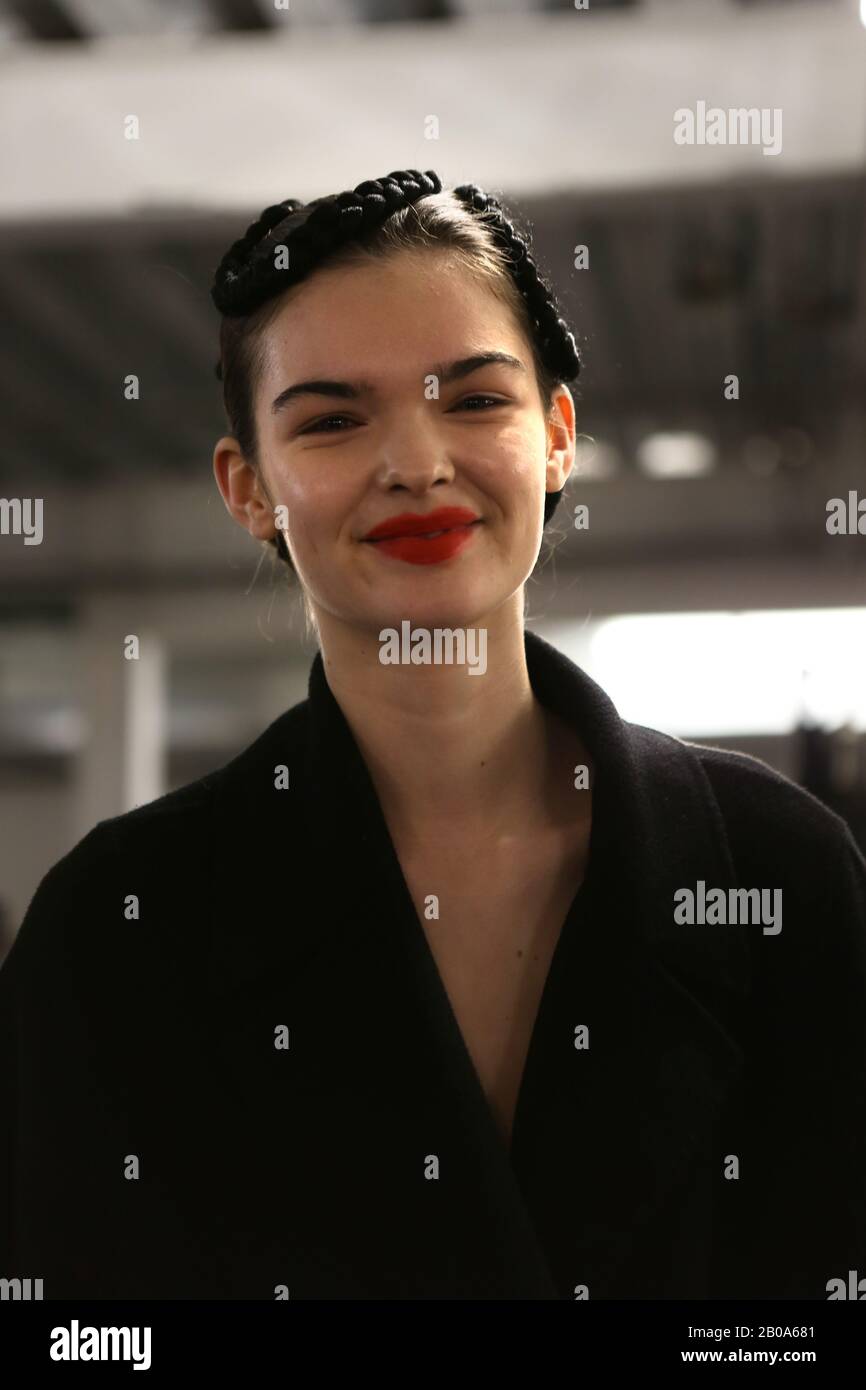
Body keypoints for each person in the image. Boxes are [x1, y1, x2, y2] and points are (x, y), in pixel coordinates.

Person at [1, 169, 864, 1301]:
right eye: (331, 419)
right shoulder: (119, 925)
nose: (415, 462)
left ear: (555, 437)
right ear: (248, 489)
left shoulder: (776, 871)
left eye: (472, 400)